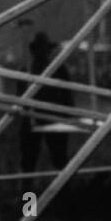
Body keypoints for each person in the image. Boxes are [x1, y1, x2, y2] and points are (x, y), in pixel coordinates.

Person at [18, 32, 75, 178]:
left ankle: (62, 192)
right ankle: (28, 199)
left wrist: (67, 117)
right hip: (32, 118)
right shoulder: (26, 70)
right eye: (40, 49)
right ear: (34, 51)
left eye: (45, 49)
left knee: (59, 159)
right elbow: (20, 97)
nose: (42, 53)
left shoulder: (58, 69)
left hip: (54, 118)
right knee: (29, 163)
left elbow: (68, 95)